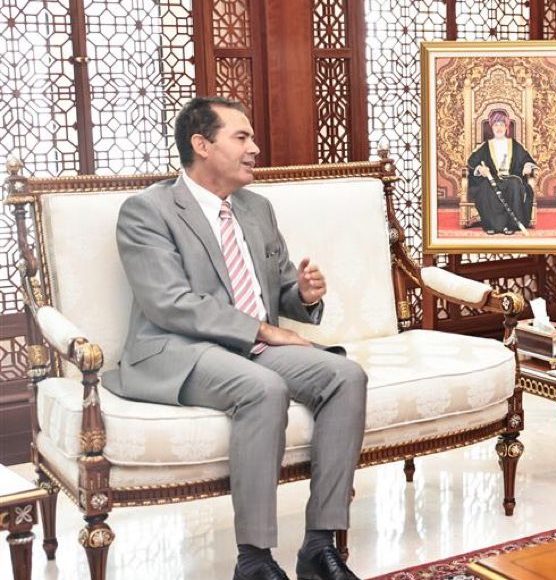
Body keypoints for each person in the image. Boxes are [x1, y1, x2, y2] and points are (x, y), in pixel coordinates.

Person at [108, 96, 367, 580]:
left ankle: (319, 545)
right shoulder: (147, 211)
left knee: (345, 376)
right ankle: (254, 560)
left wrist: (302, 295)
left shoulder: (256, 208)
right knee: (262, 388)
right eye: (241, 137)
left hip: (249, 348)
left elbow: (280, 288)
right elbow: (169, 302)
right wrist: (261, 329)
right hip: (178, 349)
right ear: (201, 145)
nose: (255, 149)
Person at [466, 109, 537, 235]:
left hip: (511, 178)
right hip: (492, 179)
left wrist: (527, 166)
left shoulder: (514, 144)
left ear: (506, 127)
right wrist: (480, 169)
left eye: (502, 125)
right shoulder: (486, 145)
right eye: (496, 125)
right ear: (492, 127)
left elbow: (526, 159)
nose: (499, 128)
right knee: (485, 187)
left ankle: (510, 225)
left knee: (515, 185)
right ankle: (492, 225)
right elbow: (472, 161)